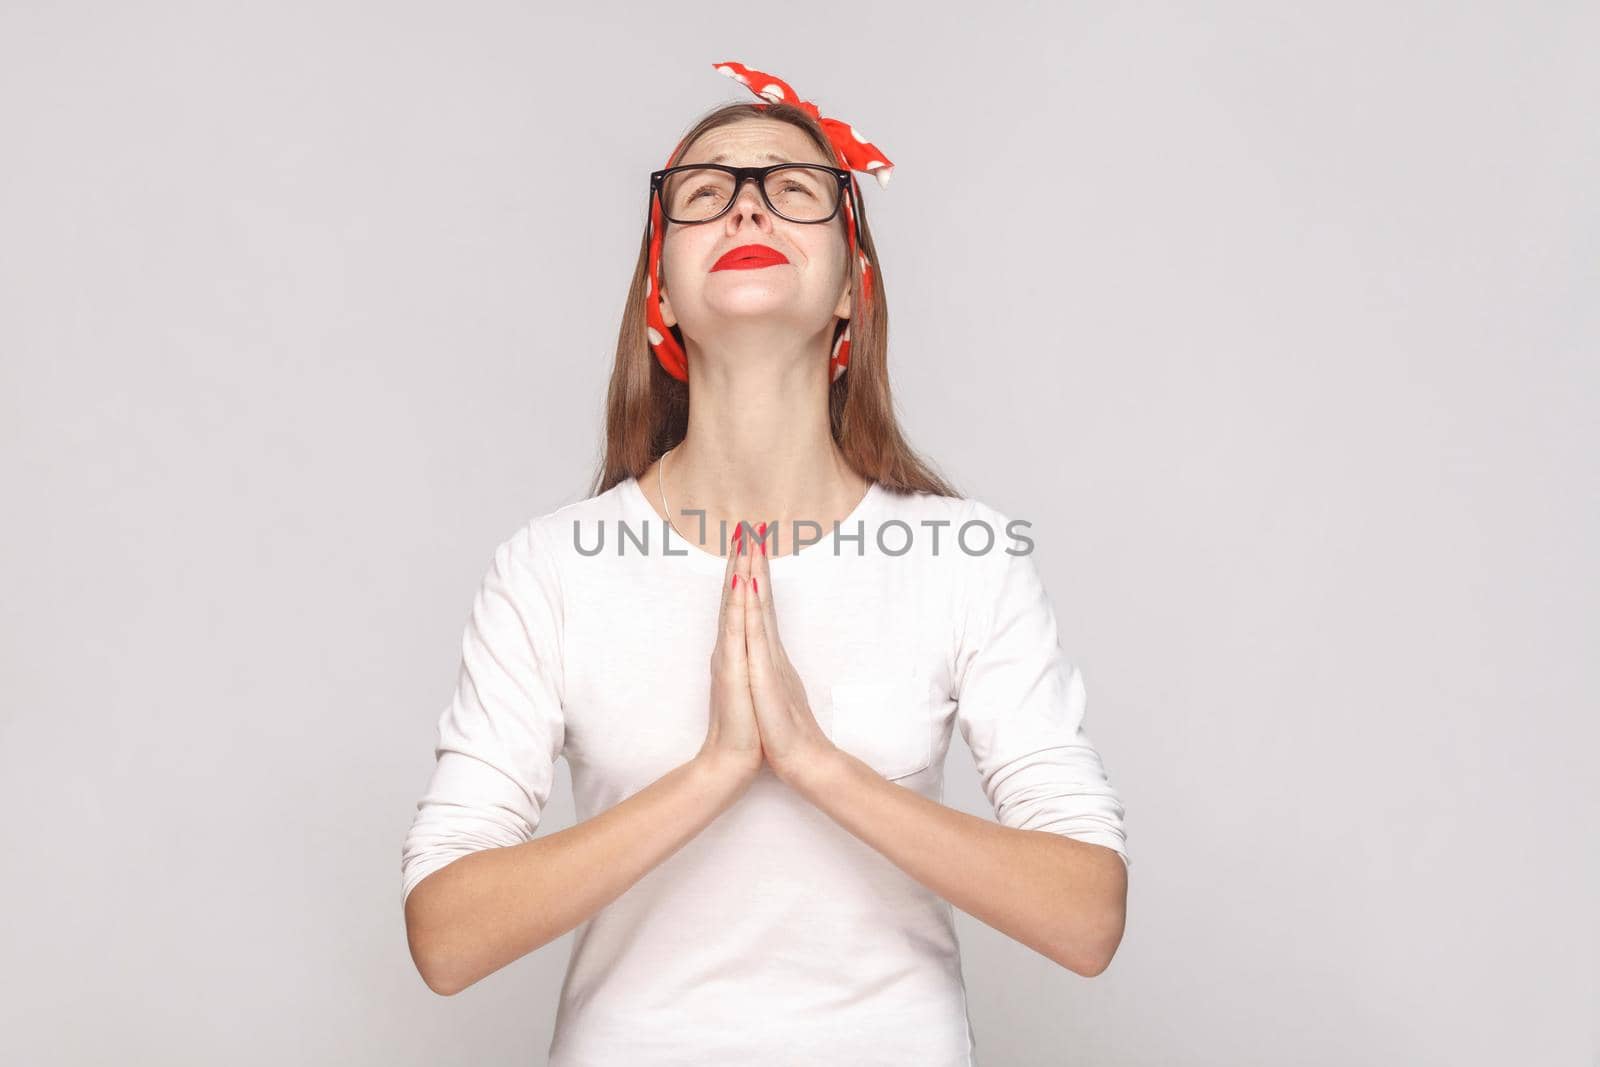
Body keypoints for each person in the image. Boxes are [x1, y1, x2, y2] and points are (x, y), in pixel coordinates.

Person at [401, 60, 1130, 1066]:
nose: (746, 206)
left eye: (793, 189)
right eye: (705, 195)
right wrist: (715, 772)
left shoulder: (964, 558)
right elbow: (445, 933)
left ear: (850, 289)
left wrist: (815, 763)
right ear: (661, 291)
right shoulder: (552, 567)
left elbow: (1085, 913)